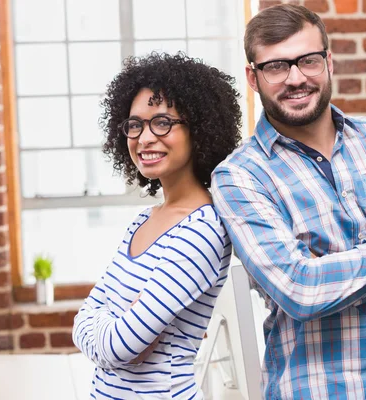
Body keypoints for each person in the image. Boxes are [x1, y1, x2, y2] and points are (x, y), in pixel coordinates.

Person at [210, 4, 366, 400]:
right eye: (276, 66)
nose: (296, 78)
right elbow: (300, 291)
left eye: (308, 60)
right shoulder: (239, 177)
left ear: (328, 61)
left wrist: (331, 280)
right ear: (253, 77)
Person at [72, 52, 242, 399]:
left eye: (162, 122)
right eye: (135, 124)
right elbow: (83, 323)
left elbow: (121, 346)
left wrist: (114, 331)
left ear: (200, 129)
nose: (145, 137)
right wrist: (115, 329)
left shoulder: (203, 229)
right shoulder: (142, 220)